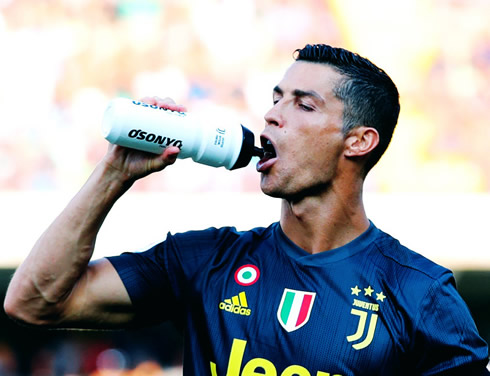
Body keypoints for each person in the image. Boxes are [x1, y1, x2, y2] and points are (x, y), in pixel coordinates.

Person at [4, 44, 490, 375]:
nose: (272, 114)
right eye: (276, 98)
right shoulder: (206, 260)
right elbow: (32, 301)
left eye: (304, 105)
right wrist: (113, 174)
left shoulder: (418, 293)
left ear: (359, 141)